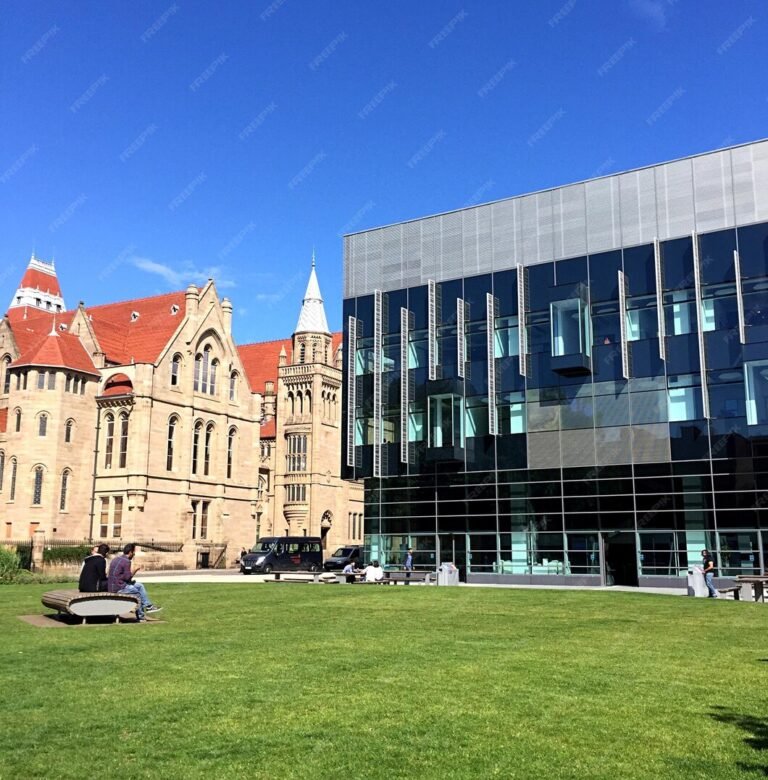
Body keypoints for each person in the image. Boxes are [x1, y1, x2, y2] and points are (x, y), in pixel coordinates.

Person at [108, 543, 162, 621]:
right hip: (118, 588)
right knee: (136, 593)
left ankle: (148, 606)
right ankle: (141, 616)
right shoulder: (126, 561)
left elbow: (120, 576)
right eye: (133, 552)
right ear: (130, 552)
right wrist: (135, 570)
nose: (134, 554)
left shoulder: (116, 559)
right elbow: (128, 578)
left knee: (139, 585)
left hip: (113, 585)